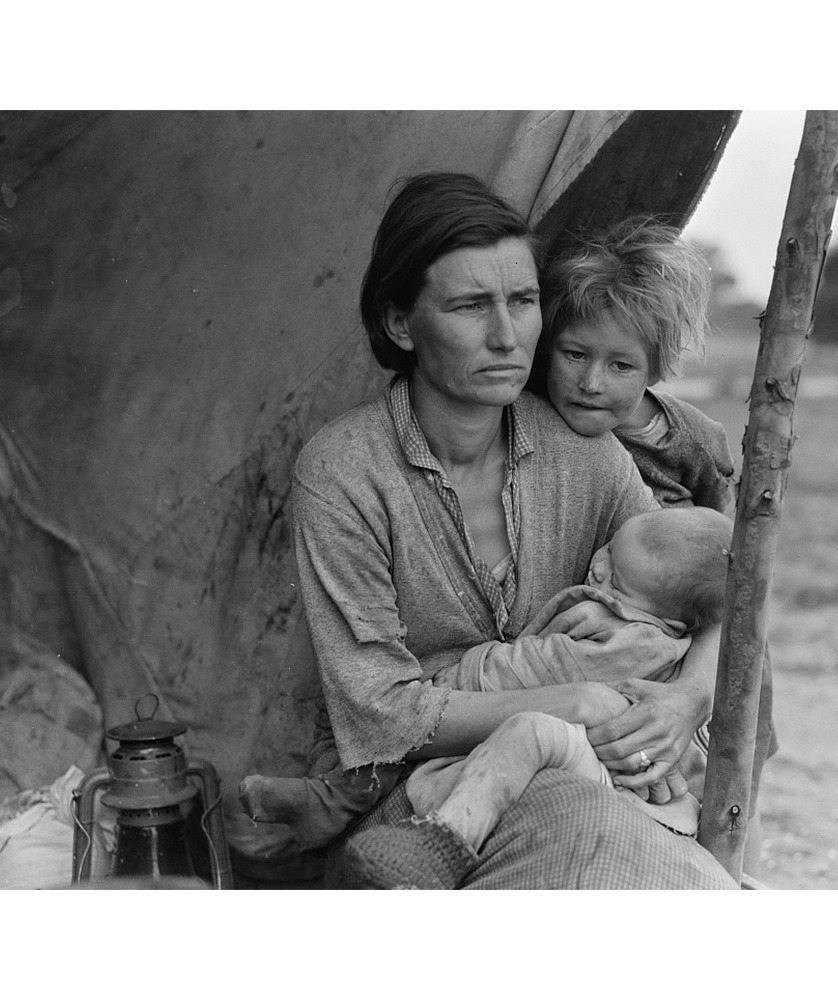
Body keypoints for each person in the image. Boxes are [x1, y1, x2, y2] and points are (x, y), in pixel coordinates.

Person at [269, 172, 737, 889]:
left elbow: (702, 593)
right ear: (400, 323)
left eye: (522, 302)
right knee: (596, 836)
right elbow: (379, 712)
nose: (506, 336)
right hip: (420, 794)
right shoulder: (344, 473)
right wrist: (569, 703)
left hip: (586, 769)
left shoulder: (586, 454)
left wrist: (688, 698)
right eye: (469, 306)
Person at [530, 215, 777, 871]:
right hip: (614, 642)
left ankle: (741, 881)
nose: (591, 382)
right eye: (574, 355)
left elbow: (734, 581)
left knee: (730, 783)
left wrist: (694, 691)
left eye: (621, 365)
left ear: (656, 367)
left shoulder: (692, 442)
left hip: (696, 646)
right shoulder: (531, 423)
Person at [334, 505, 733, 889]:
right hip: (642, 781)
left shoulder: (630, 641)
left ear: (672, 620)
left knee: (530, 734)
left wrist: (461, 677)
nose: (599, 568)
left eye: (617, 582)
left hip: (618, 778)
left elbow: (533, 670)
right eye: (610, 548)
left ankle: (443, 844)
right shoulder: (656, 599)